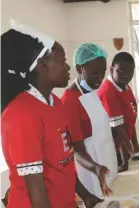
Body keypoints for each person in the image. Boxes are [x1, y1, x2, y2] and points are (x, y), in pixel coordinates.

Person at [1, 20, 101, 208]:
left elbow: (64, 163)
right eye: (62, 60)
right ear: (42, 64)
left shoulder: (55, 103)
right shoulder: (21, 114)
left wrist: (86, 195)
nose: (68, 67)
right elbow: (35, 188)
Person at [61, 43, 117, 198]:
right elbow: (77, 151)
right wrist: (96, 168)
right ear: (79, 69)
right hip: (91, 171)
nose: (100, 78)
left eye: (103, 72)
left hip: (105, 163)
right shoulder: (70, 100)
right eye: (94, 73)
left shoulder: (91, 92)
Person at [98, 52, 139, 173]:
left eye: (130, 71)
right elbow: (117, 130)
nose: (126, 75)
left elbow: (130, 119)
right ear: (111, 69)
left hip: (124, 151)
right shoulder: (108, 91)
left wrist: (135, 146)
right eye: (120, 70)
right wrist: (126, 159)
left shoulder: (124, 86)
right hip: (114, 153)